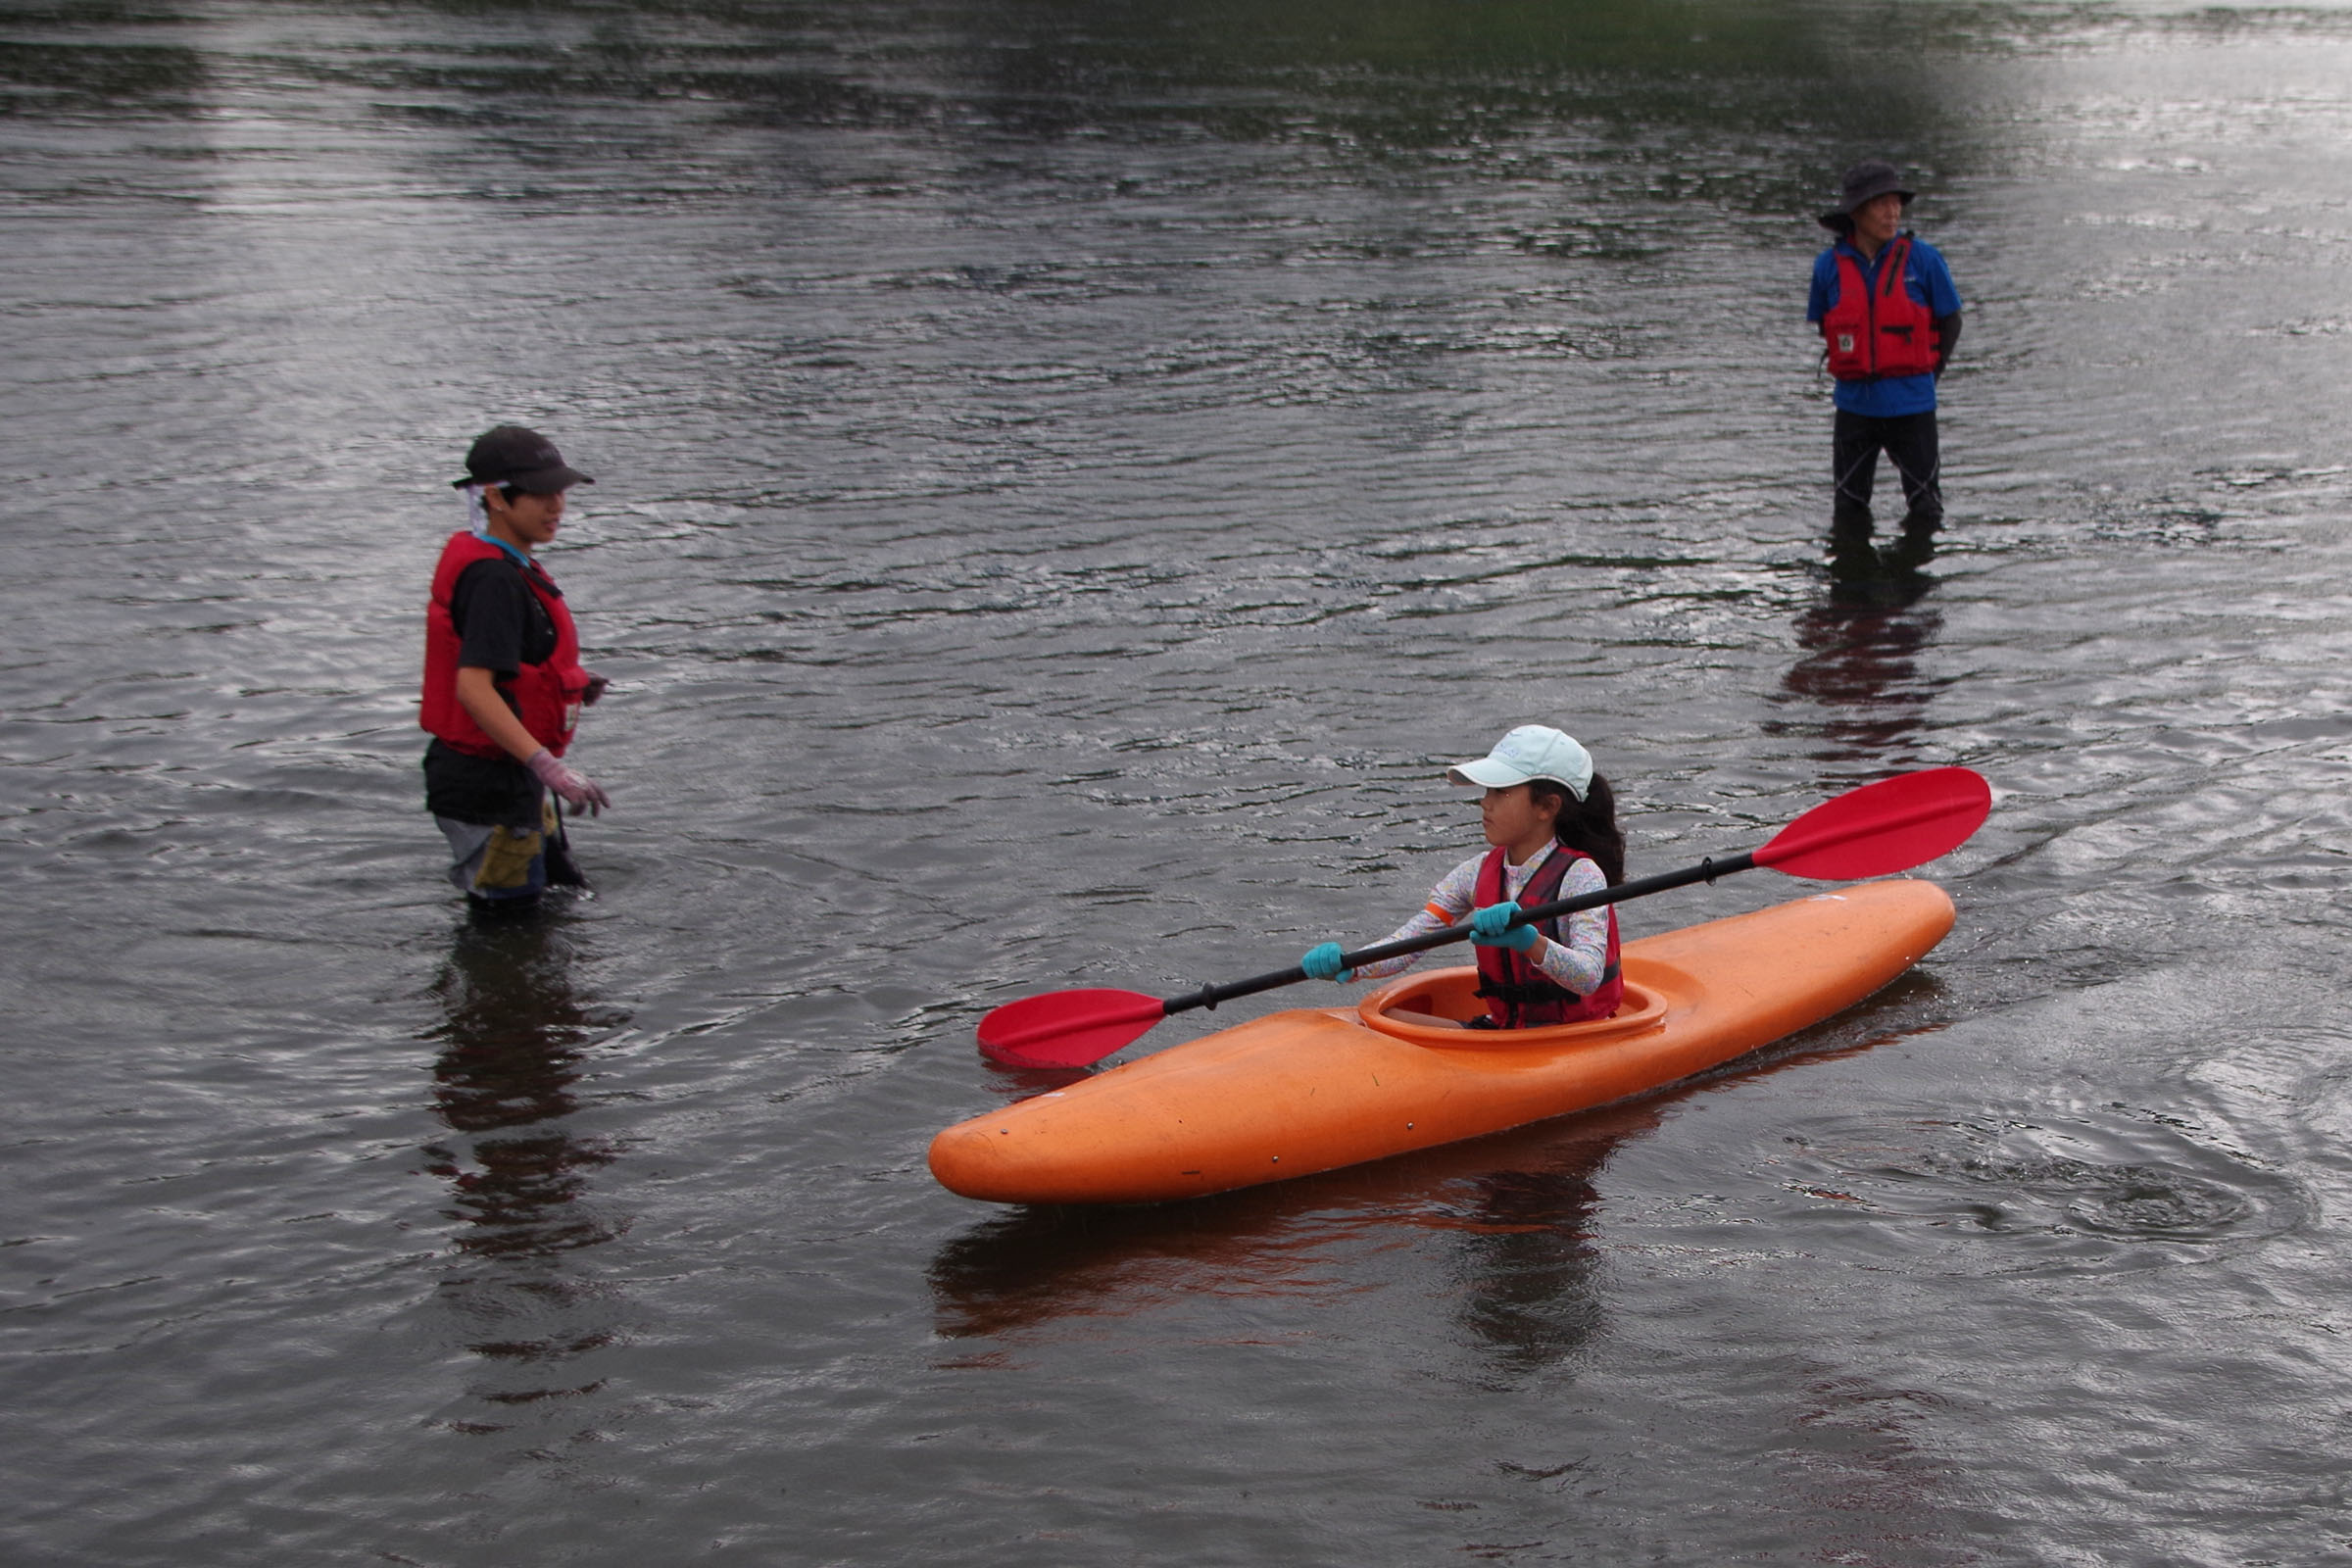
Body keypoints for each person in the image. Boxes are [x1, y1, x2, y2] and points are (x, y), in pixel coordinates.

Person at [1298, 725, 1625, 1029]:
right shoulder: (1476, 872)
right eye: (1487, 790)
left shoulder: (1581, 876)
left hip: (1574, 1033)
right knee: (1384, 1019)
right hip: (1502, 1028)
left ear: (1547, 807)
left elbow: (1589, 976)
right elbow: (1409, 943)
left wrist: (1530, 942)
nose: (1485, 802)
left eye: (1501, 791)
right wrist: (1351, 965)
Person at [419, 425, 612, 914]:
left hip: (513, 776)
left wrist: (567, 687)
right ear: (495, 498)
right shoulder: (492, 578)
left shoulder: (507, 563)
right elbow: (473, 688)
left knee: (562, 902)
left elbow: (514, 664)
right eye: (541, 495)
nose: (557, 507)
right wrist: (551, 768)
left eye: (560, 493)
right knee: (507, 926)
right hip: (487, 785)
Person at [1807, 161, 1964, 550]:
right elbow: (1825, 324)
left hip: (1913, 405)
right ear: (1856, 212)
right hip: (1855, 409)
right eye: (1881, 204)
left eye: (1896, 204)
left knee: (1926, 510)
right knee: (1848, 509)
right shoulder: (1828, 267)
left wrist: (1931, 374)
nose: (1892, 213)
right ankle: (1852, 596)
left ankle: (1917, 599)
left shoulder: (1924, 260)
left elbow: (1951, 321)